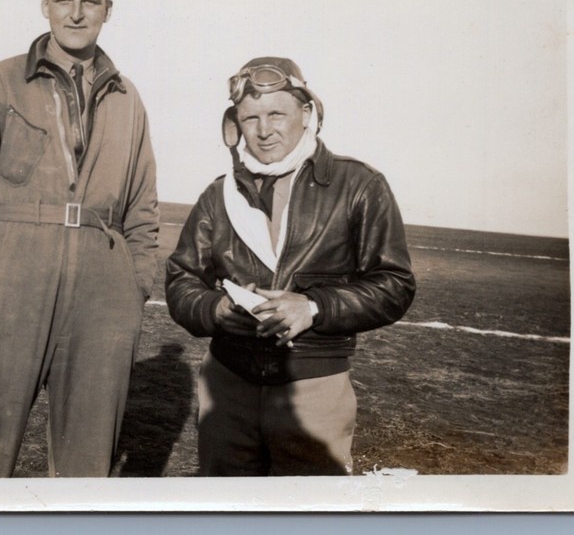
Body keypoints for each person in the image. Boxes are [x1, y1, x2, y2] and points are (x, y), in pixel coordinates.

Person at [0, 0, 159, 478]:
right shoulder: (3, 82)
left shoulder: (128, 99)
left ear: (107, 10)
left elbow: (143, 209)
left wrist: (132, 288)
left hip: (103, 295)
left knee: (87, 463)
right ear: (45, 7)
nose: (76, 12)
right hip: (9, 282)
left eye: (90, 1)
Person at [165, 57, 415, 476]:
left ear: (306, 112)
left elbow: (395, 283)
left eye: (276, 114)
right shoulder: (219, 195)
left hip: (314, 389)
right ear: (235, 124)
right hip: (227, 388)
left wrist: (312, 307)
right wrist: (217, 310)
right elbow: (181, 279)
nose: (264, 131)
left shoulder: (359, 186)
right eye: (250, 118)